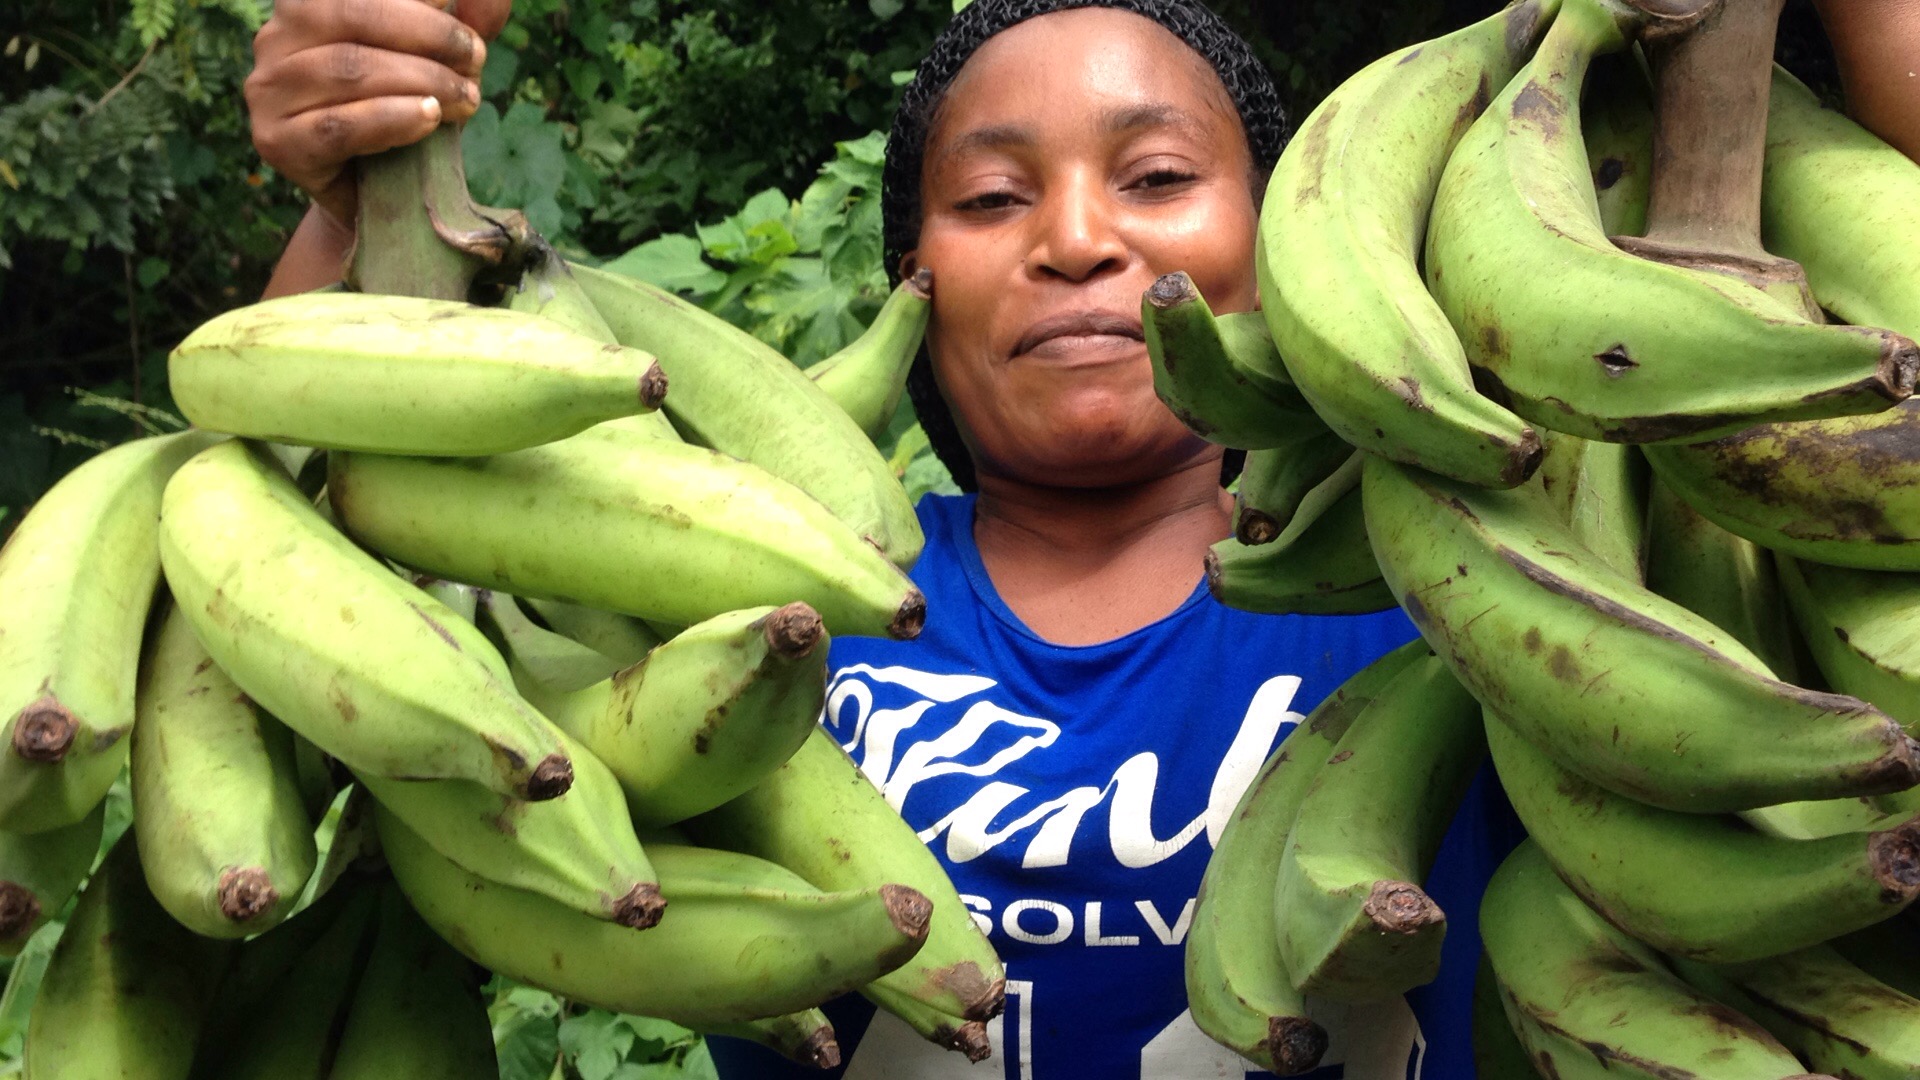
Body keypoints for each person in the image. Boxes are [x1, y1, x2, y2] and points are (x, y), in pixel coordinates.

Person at [243, 1, 1920, 1077]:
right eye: (987, 200)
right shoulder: (753, 594)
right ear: (916, 278)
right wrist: (356, 197)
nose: (1073, 240)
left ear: (1302, 242)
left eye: (1161, 176)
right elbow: (342, 579)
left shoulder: (1477, 578)